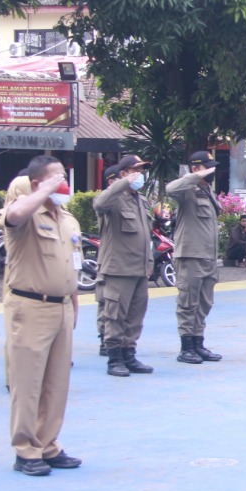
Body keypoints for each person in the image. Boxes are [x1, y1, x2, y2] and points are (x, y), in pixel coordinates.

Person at [2, 155, 82, 476]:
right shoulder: (25, 214)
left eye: (64, 177)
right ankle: (25, 449)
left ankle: (48, 443)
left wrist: (73, 304)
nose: (63, 183)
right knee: (28, 382)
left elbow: (71, 264)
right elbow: (16, 214)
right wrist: (41, 190)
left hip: (61, 306)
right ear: (37, 183)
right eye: (56, 178)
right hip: (30, 305)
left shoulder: (68, 219)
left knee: (56, 383)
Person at [93, 154, 153, 378]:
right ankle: (114, 359)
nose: (140, 175)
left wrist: (148, 263)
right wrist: (122, 184)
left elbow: (146, 235)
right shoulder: (113, 199)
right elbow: (99, 203)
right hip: (118, 269)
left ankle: (129, 354)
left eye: (142, 170)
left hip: (139, 269)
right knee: (115, 315)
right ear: (123, 174)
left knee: (136, 315)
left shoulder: (141, 200)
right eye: (136, 170)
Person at [167, 150, 223, 365]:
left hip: (208, 257)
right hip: (190, 256)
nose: (212, 171)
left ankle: (198, 342)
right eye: (207, 167)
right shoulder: (187, 189)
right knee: (187, 303)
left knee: (204, 303)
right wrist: (194, 177)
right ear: (195, 168)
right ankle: (186, 347)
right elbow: (170, 188)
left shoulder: (208, 191)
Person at [96, 164, 121, 357]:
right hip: (109, 259)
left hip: (128, 261)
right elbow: (100, 204)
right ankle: (104, 337)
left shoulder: (136, 200)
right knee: (107, 300)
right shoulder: (107, 200)